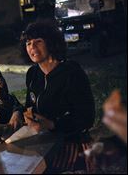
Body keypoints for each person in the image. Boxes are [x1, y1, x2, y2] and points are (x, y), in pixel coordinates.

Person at [21, 20, 96, 173]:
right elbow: (30, 105)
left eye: (38, 42)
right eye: (28, 43)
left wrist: (52, 124)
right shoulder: (33, 74)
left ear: (50, 43)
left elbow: (87, 118)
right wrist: (25, 114)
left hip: (72, 145)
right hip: (43, 142)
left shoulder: (71, 73)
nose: (32, 47)